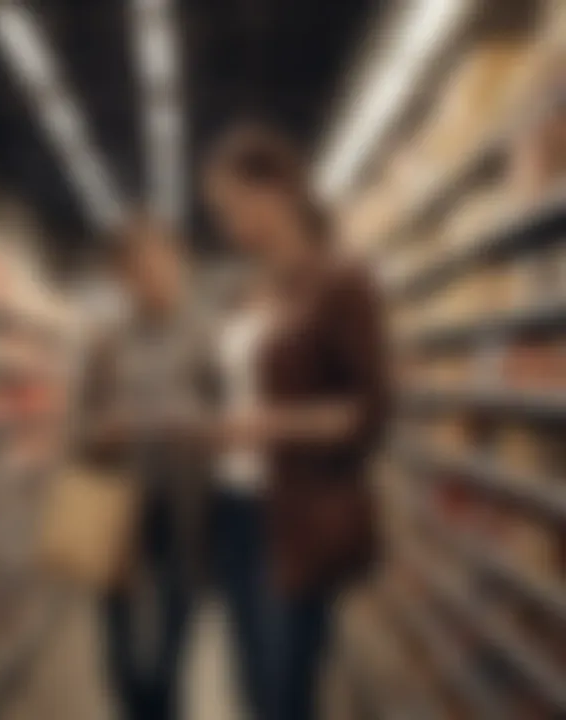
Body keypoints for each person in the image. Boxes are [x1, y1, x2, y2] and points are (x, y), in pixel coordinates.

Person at [202, 123, 390, 720]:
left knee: (286, 695)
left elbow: (369, 412)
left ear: (277, 190)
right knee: (253, 688)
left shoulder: (341, 280)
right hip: (233, 510)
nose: (227, 225)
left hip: (294, 516)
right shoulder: (245, 292)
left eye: (232, 206)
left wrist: (271, 424)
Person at [83, 213, 212, 720]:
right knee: (120, 655)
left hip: (183, 510)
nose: (157, 274)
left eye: (165, 261)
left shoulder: (204, 336)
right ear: (122, 277)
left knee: (171, 658)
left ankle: (163, 706)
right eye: (141, 266)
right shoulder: (105, 343)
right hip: (117, 511)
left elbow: (227, 413)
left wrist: (197, 425)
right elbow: (78, 427)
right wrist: (104, 431)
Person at [212, 274, 273, 719]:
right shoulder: (278, 330)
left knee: (241, 604)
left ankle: (250, 692)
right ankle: (265, 694)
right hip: (274, 488)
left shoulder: (224, 338)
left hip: (230, 485)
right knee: (271, 603)